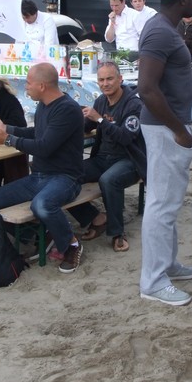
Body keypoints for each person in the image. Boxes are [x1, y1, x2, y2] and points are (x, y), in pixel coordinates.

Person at [138, 0, 192, 306]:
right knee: (162, 205)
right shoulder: (159, 32)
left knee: (168, 202)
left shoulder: (166, 28)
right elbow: (146, 89)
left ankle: (167, 264)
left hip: (167, 126)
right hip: (165, 128)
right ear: (183, 0)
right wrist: (178, 129)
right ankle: (153, 282)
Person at [0, 63, 86, 273]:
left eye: (28, 83)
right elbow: (37, 133)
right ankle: (36, 235)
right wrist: (6, 128)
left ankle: (71, 244)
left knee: (42, 205)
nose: (25, 87)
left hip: (66, 178)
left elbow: (44, 147)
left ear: (42, 86)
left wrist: (7, 139)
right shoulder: (44, 105)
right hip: (38, 177)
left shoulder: (68, 109)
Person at [69, 61, 146, 253]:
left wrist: (100, 119)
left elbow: (126, 137)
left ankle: (117, 233)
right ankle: (94, 217)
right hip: (102, 159)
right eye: (101, 80)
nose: (105, 83)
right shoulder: (101, 101)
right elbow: (87, 126)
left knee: (109, 180)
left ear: (120, 79)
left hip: (129, 160)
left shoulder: (134, 104)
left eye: (109, 79)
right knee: (66, 173)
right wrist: (74, 119)